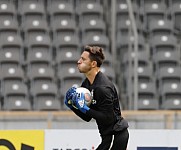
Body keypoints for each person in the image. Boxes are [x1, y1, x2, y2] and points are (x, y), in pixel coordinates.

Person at [64, 45, 129, 150]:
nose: (79, 61)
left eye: (83, 59)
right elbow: (87, 117)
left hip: (116, 136)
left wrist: (84, 108)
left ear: (93, 64)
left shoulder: (103, 88)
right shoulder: (86, 84)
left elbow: (107, 118)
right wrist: (73, 105)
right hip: (107, 137)